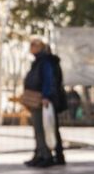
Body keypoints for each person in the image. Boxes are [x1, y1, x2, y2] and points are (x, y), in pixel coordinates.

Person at [22, 39, 66, 167]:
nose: (31, 48)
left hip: (43, 100)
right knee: (42, 128)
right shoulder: (40, 61)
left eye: (33, 45)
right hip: (39, 99)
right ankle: (41, 154)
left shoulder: (45, 62)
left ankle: (46, 155)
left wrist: (46, 96)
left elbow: (48, 80)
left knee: (43, 128)